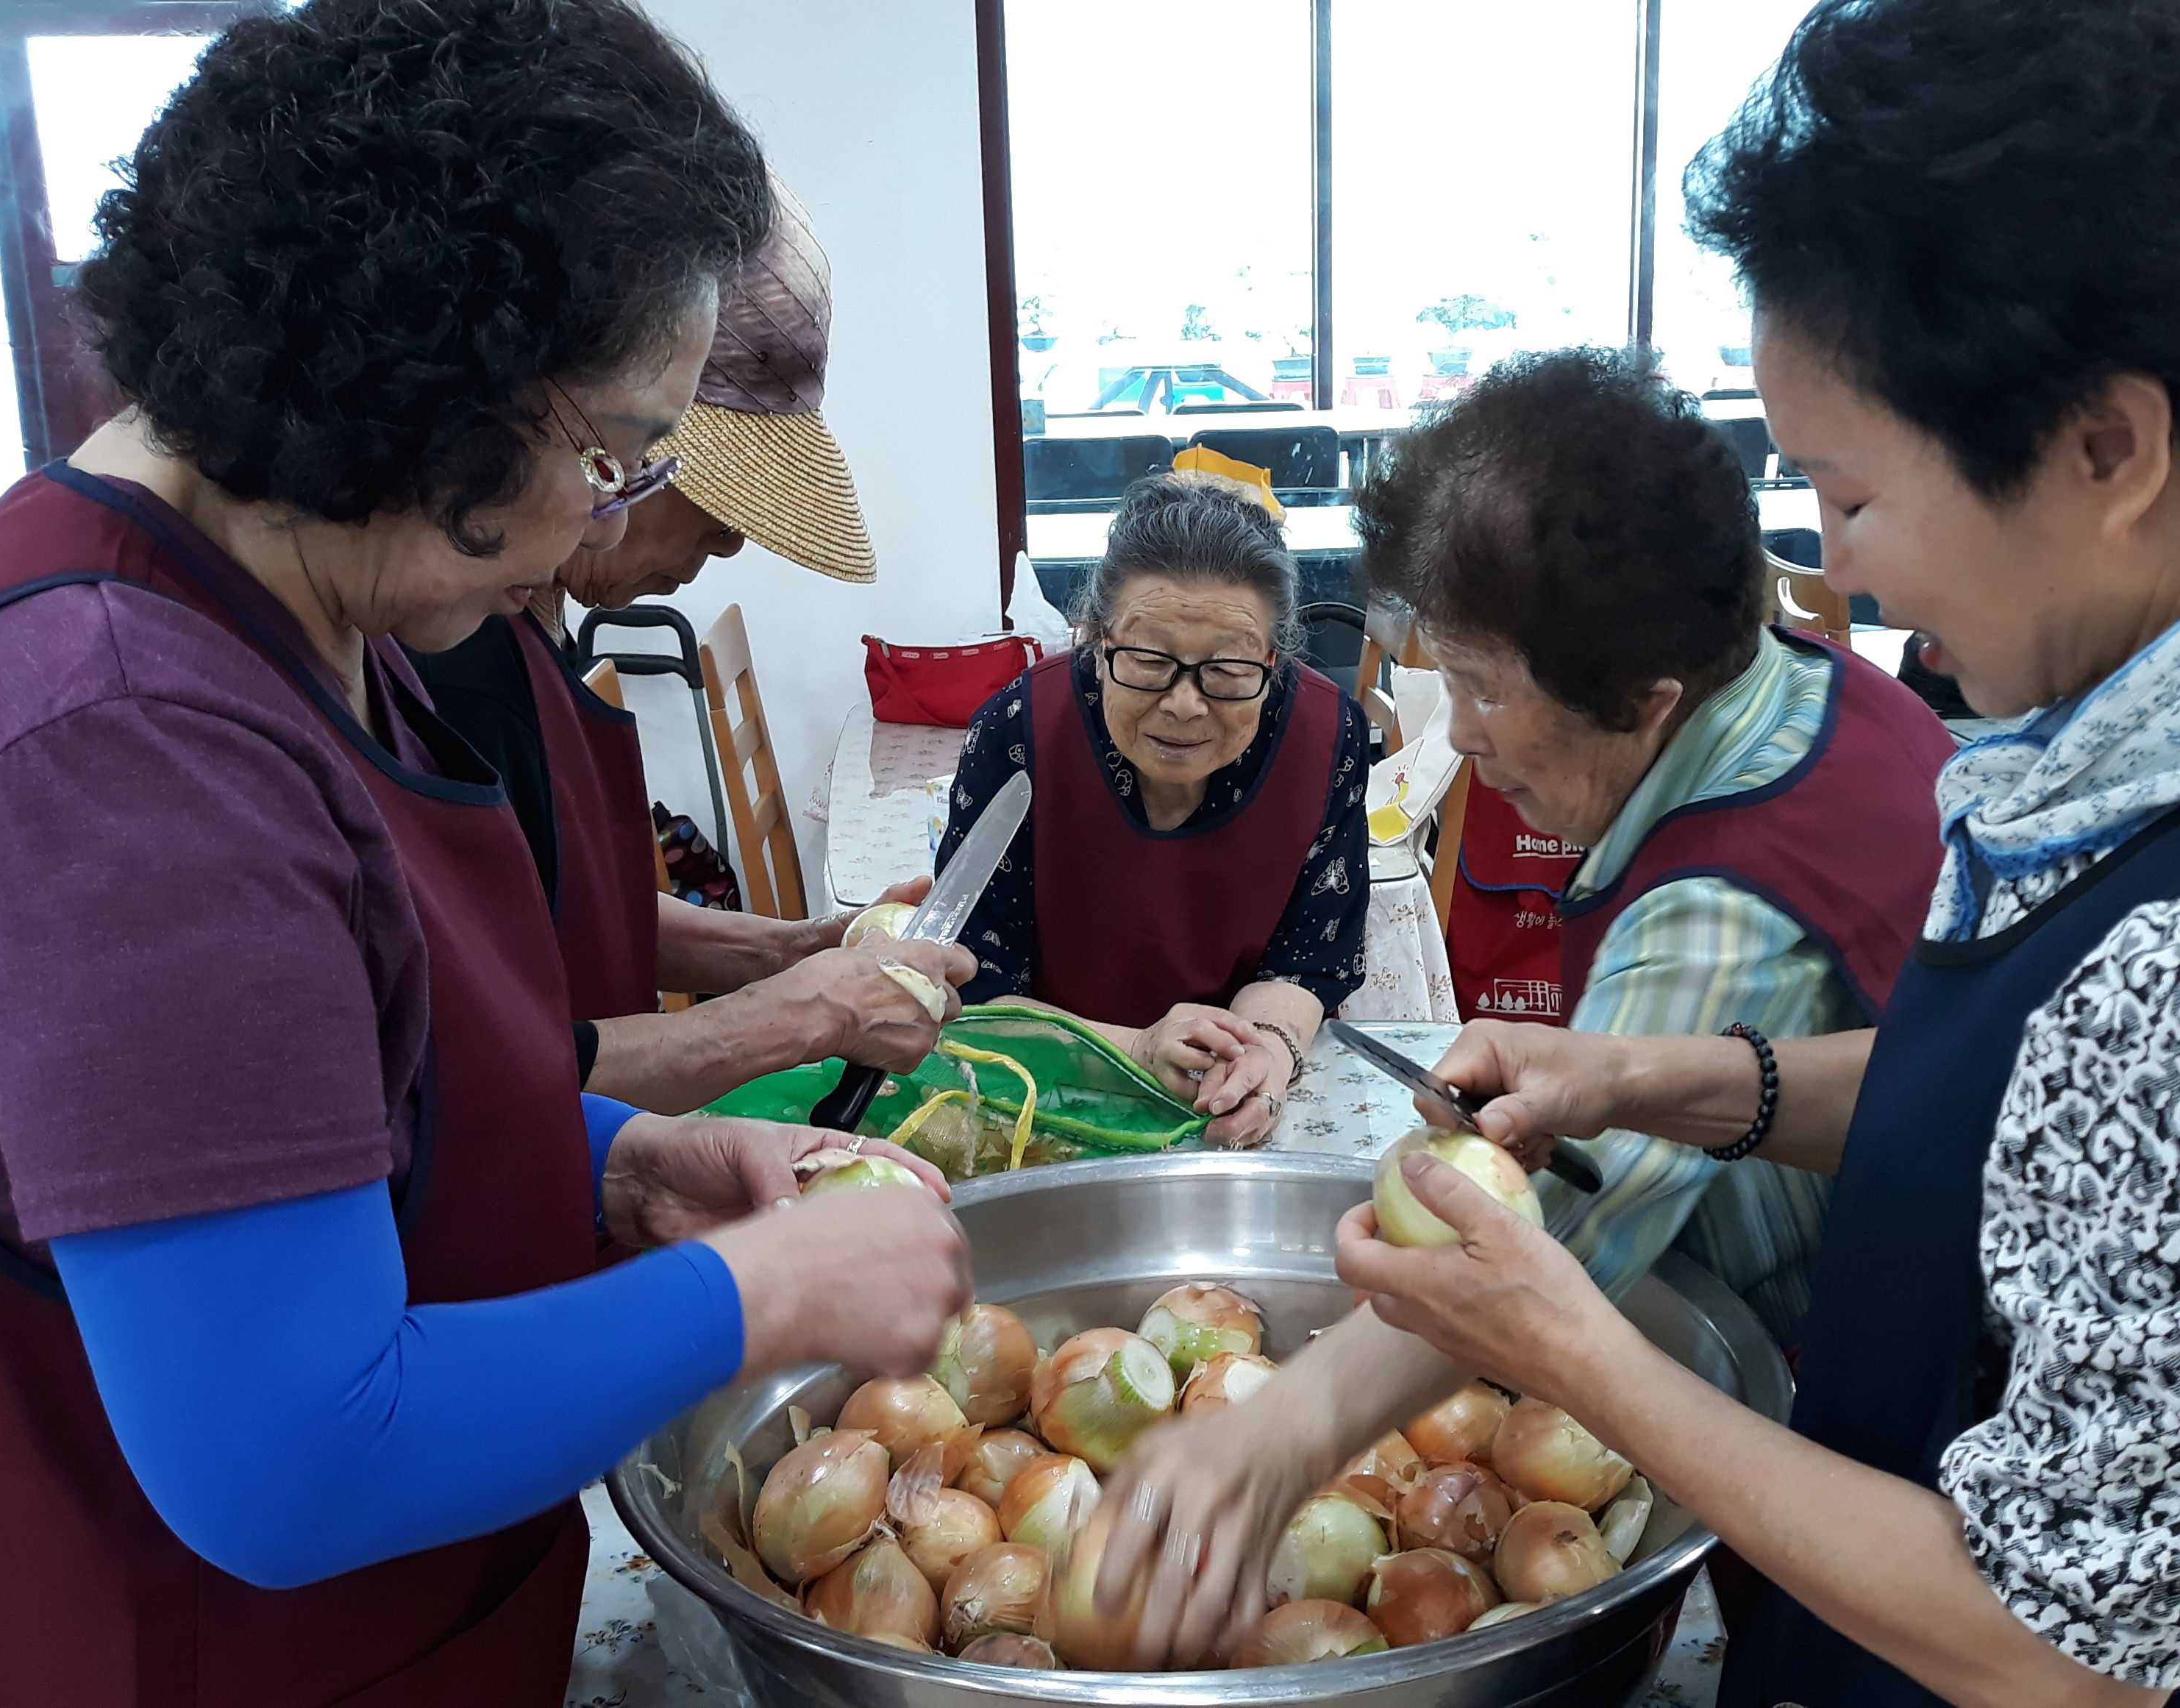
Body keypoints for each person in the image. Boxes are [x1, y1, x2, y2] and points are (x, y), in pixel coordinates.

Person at [1320, 4, 2180, 1704]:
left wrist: (1563, 1347)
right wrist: (1653, 1075)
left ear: (2102, 448)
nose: (1840, 567)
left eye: (1848, 492)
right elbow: (2059, 1103)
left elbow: (2050, 1643)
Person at [0, 7, 969, 1704]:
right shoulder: (115, 743)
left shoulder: (308, 612)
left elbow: (315, 1116)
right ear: (444, 385)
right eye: (615, 449)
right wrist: (755, 1293)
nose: (603, 515)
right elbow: (292, 1456)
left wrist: (613, 1162)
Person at [1352, 347, 1950, 1342]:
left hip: (1836, 1370)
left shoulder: (1717, 911)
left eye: (1482, 686)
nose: (1456, 733)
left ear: (1644, 699)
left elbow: (1546, 1268)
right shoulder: (1784, 680)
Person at [412, 172, 970, 1115]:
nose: (731, 539)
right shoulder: (449, 658)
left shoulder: (536, 615)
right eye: (699, 496)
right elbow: (474, 1072)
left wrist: (797, 948)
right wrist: (799, 1015)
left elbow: (566, 911)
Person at [935, 472, 1370, 1147]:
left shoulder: (1327, 735)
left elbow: (1307, 961)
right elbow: (974, 985)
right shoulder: (1019, 732)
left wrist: (1265, 1057)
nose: (1185, 705)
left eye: (1227, 670)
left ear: (1272, 659)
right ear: (1097, 641)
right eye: (1146, 660)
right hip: (1046, 1093)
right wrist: (1137, 1050)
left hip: (1228, 1107)